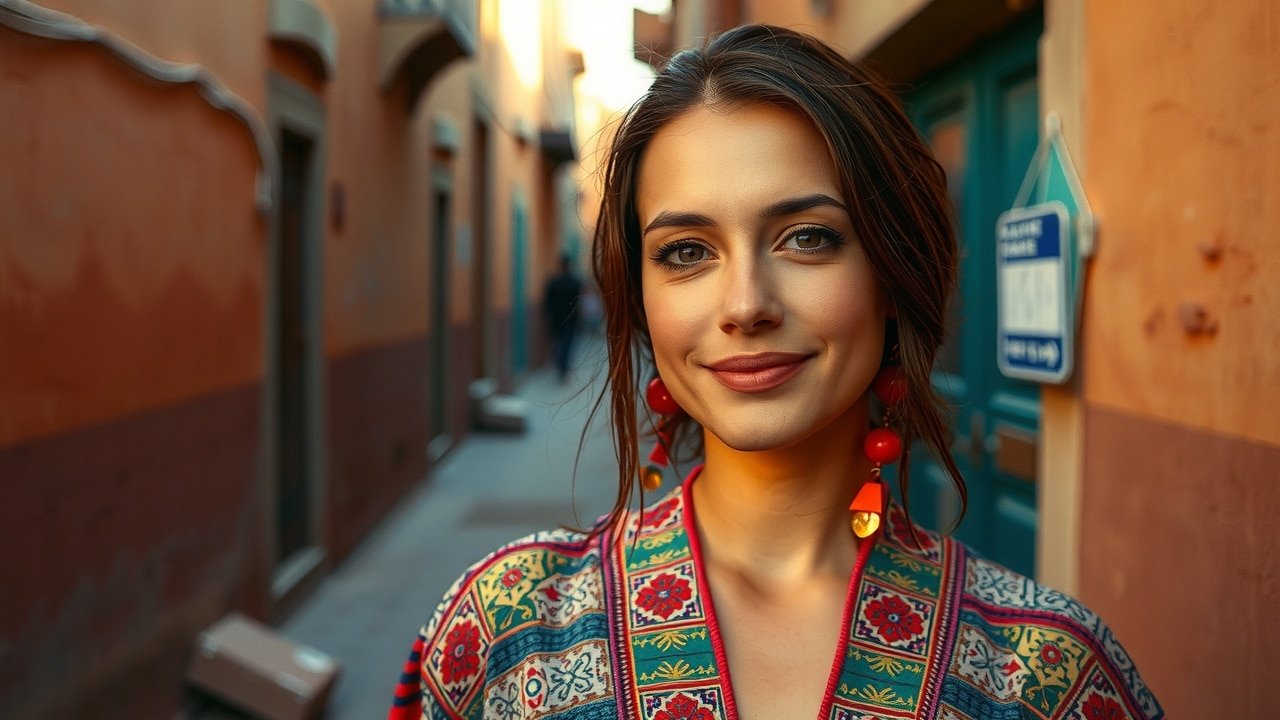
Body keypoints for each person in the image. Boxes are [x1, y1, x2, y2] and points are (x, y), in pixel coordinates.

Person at [389, 25, 1162, 720]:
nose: (745, 305)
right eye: (686, 251)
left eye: (806, 238)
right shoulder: (503, 631)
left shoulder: (1048, 678)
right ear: (643, 300)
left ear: (894, 274)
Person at [543, 253, 584, 382]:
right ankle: (563, 368)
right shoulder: (574, 281)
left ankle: (562, 368)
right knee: (566, 344)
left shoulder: (555, 282)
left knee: (561, 344)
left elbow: (548, 301)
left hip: (560, 318)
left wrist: (548, 313)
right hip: (568, 319)